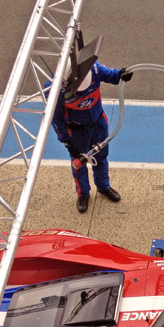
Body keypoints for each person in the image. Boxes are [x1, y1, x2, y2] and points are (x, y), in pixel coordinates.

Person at [50, 61, 133, 213]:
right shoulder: (54, 88)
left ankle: (103, 187)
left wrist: (122, 75)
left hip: (98, 123)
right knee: (79, 163)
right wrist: (67, 142)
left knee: (101, 157)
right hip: (76, 131)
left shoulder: (93, 68)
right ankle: (83, 194)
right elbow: (55, 118)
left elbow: (112, 75)